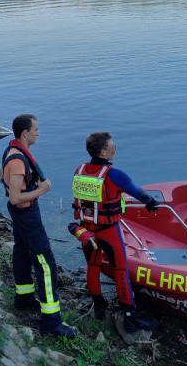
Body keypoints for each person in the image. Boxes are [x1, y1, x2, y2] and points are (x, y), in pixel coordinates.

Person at [69, 131, 160, 333]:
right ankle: (129, 316)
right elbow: (138, 192)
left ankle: (99, 306)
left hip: (87, 231)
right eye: (112, 146)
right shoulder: (114, 175)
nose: (115, 148)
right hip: (108, 232)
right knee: (120, 271)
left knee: (93, 267)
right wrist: (151, 203)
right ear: (103, 151)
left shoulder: (79, 170)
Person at [0, 114, 77, 338]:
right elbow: (15, 197)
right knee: (45, 263)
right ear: (25, 133)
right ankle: (51, 321)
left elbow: (2, 180)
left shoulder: (11, 152)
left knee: (22, 252)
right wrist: (41, 191)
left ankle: (23, 298)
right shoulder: (17, 160)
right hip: (25, 214)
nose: (38, 133)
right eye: (36, 129)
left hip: (22, 214)